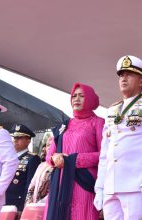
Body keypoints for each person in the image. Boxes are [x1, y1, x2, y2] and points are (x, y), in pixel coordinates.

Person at [94, 55, 142, 220]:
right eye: (121, 75)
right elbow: (105, 153)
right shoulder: (112, 110)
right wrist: (99, 186)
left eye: (129, 74)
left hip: (138, 186)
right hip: (111, 186)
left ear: (141, 81)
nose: (123, 78)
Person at [45, 83, 104, 220]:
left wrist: (74, 160)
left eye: (82, 96)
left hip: (83, 180)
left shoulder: (98, 123)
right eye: (74, 96)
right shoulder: (63, 125)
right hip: (60, 181)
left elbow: (104, 155)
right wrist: (55, 158)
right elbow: (49, 155)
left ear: (90, 99)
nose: (76, 99)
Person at [6, 124, 41, 212]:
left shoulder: (33, 159)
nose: (15, 141)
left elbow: (29, 185)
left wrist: (23, 207)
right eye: (14, 138)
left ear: (28, 141)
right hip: (4, 201)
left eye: (19, 138)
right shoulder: (8, 157)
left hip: (18, 203)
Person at [25, 133, 53, 204]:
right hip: (35, 205)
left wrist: (41, 203)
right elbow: (32, 186)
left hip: (49, 204)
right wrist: (29, 203)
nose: (49, 147)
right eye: (48, 145)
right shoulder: (41, 165)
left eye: (52, 145)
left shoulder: (59, 166)